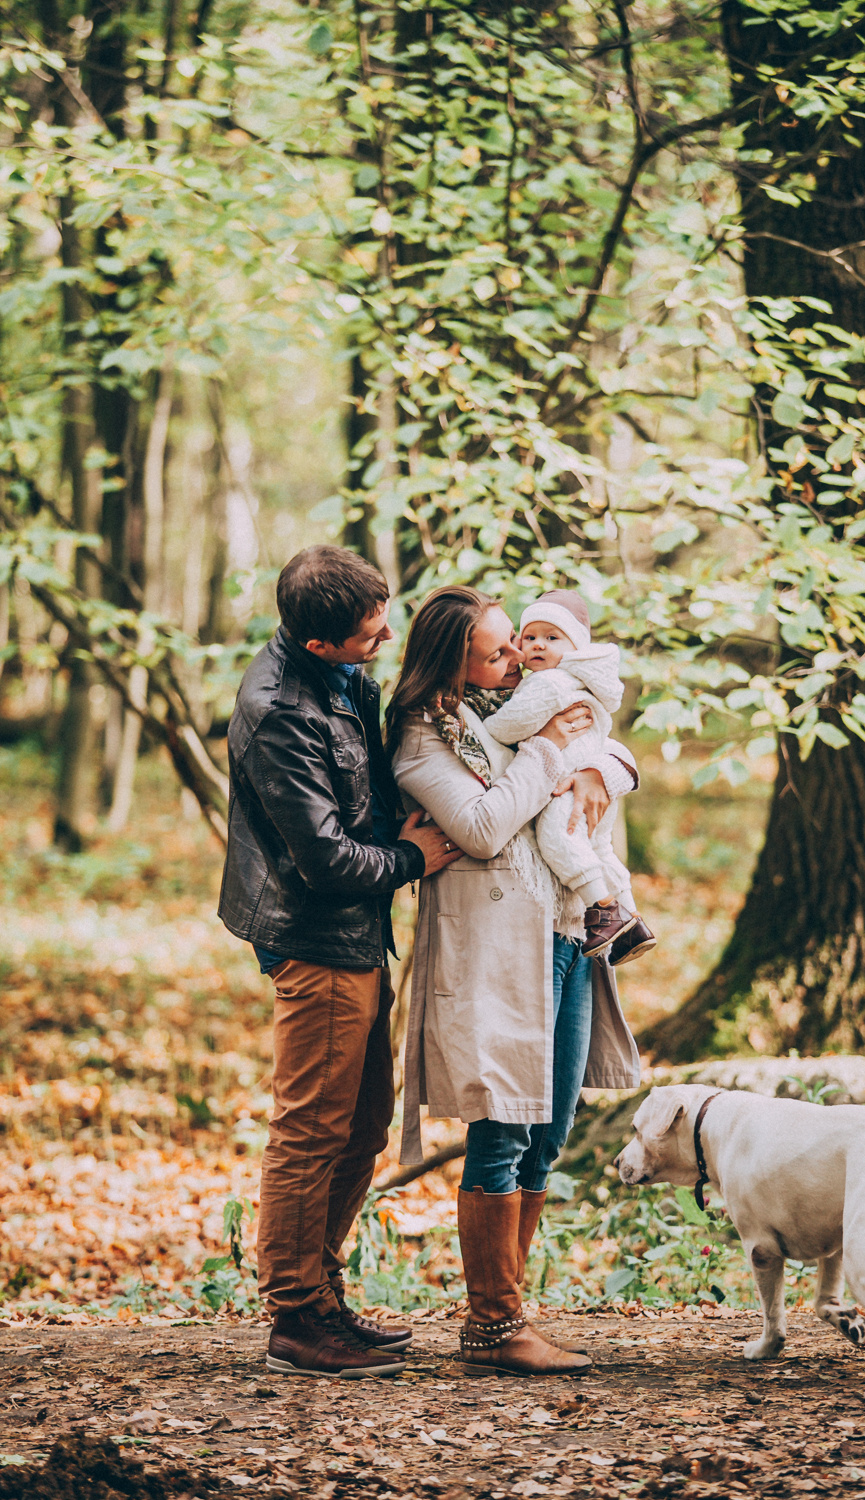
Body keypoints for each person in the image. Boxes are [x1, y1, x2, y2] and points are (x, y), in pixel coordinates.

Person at [218, 545, 461, 1379]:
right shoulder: (280, 711)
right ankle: (295, 1317)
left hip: (357, 935)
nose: (385, 639)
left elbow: (366, 790)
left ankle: (321, 1292)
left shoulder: (339, 676)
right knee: (311, 1128)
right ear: (317, 641)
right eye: (369, 634)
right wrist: (413, 857)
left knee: (362, 1124)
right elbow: (324, 860)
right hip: (316, 938)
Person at [385, 585, 641, 1377]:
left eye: (512, 644)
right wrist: (551, 755)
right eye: (495, 652)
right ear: (451, 661)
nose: (516, 659)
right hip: (497, 952)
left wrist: (598, 767)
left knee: (550, 1129)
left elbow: (604, 739)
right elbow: (483, 826)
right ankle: (491, 1324)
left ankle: (512, 1309)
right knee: (502, 1126)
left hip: (566, 936)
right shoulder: (424, 737)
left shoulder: (520, 705)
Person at [482, 589, 656, 967]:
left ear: (575, 646)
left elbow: (510, 726)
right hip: (594, 783)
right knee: (600, 849)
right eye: (530, 636)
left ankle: (605, 911)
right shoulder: (580, 681)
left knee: (557, 837)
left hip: (567, 788)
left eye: (552, 637)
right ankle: (633, 919)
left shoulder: (549, 683)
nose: (537, 645)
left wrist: (487, 727)